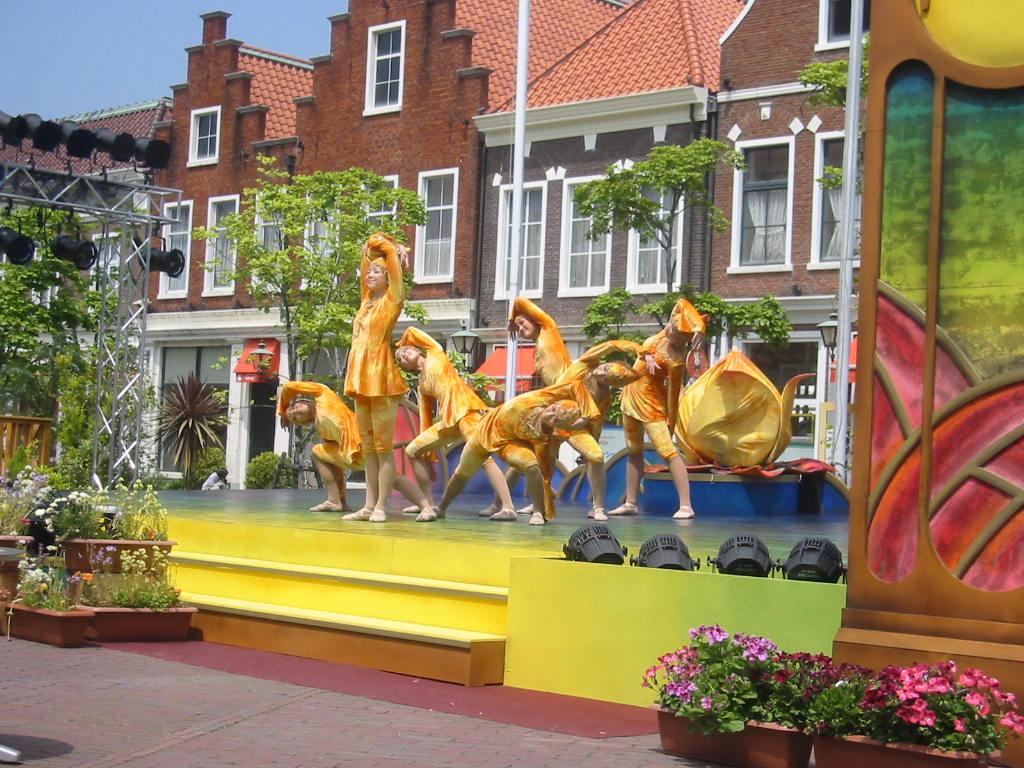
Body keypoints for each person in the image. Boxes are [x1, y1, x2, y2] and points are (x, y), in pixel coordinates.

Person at [395, 327, 516, 522]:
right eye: (400, 358)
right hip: (448, 421)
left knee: (483, 458)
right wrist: (428, 455)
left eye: (406, 350)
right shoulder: (422, 386)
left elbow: (412, 330)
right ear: (405, 367)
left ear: (417, 349)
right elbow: (425, 420)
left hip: (468, 411)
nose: (403, 354)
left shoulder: (435, 353)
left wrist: (401, 343)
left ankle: (508, 507)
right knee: (412, 450)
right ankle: (427, 504)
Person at [437, 381, 595, 526]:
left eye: (555, 420)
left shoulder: (549, 437)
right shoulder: (538, 398)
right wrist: (588, 415)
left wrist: (545, 508)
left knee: (531, 466)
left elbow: (545, 471)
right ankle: (441, 508)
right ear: (553, 404)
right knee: (462, 473)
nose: (549, 415)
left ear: (559, 426)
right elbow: (575, 384)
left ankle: (537, 513)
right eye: (553, 410)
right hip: (485, 433)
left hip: (510, 442)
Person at [477, 297, 574, 517]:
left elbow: (520, 300)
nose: (520, 328)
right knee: (531, 458)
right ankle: (511, 504)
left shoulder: (549, 329)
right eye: (518, 326)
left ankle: (520, 504)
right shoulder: (537, 345)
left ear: (536, 319)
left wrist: (511, 319)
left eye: (523, 323)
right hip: (553, 406)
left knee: (542, 459)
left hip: (565, 405)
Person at [611, 298, 706, 520]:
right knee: (634, 451)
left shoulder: (676, 361)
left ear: (684, 338)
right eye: (671, 325)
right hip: (630, 398)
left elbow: (672, 395)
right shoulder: (662, 336)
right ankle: (631, 502)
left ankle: (686, 505)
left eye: (675, 330)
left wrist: (671, 421)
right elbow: (682, 303)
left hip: (651, 406)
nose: (670, 329)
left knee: (668, 452)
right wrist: (699, 326)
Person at [278, 380, 430, 514]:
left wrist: (282, 410)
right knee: (318, 453)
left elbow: (288, 387)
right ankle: (335, 500)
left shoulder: (323, 395)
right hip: (351, 455)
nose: (297, 411)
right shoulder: (322, 430)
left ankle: (425, 506)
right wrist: (342, 499)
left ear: (306, 400)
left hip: (362, 443)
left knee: (393, 478)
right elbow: (335, 467)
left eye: (295, 406)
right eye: (294, 417)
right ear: (301, 423)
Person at [342, 233, 409, 523]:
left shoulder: (392, 300)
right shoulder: (366, 301)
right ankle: (368, 505)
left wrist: (393, 249)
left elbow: (388, 257)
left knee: (383, 447)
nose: (369, 275)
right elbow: (366, 249)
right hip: (360, 379)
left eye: (376, 272)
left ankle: (381, 505)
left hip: (381, 378)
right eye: (369, 272)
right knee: (368, 447)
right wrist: (374, 246)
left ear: (389, 276)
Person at [553, 339, 642, 521]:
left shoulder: (604, 397)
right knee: (533, 457)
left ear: (611, 384)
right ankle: (516, 504)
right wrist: (639, 349)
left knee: (596, 457)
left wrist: (589, 447)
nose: (600, 372)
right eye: (605, 367)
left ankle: (598, 507)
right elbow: (610, 345)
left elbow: (596, 423)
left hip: (575, 428)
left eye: (605, 377)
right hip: (550, 416)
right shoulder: (586, 364)